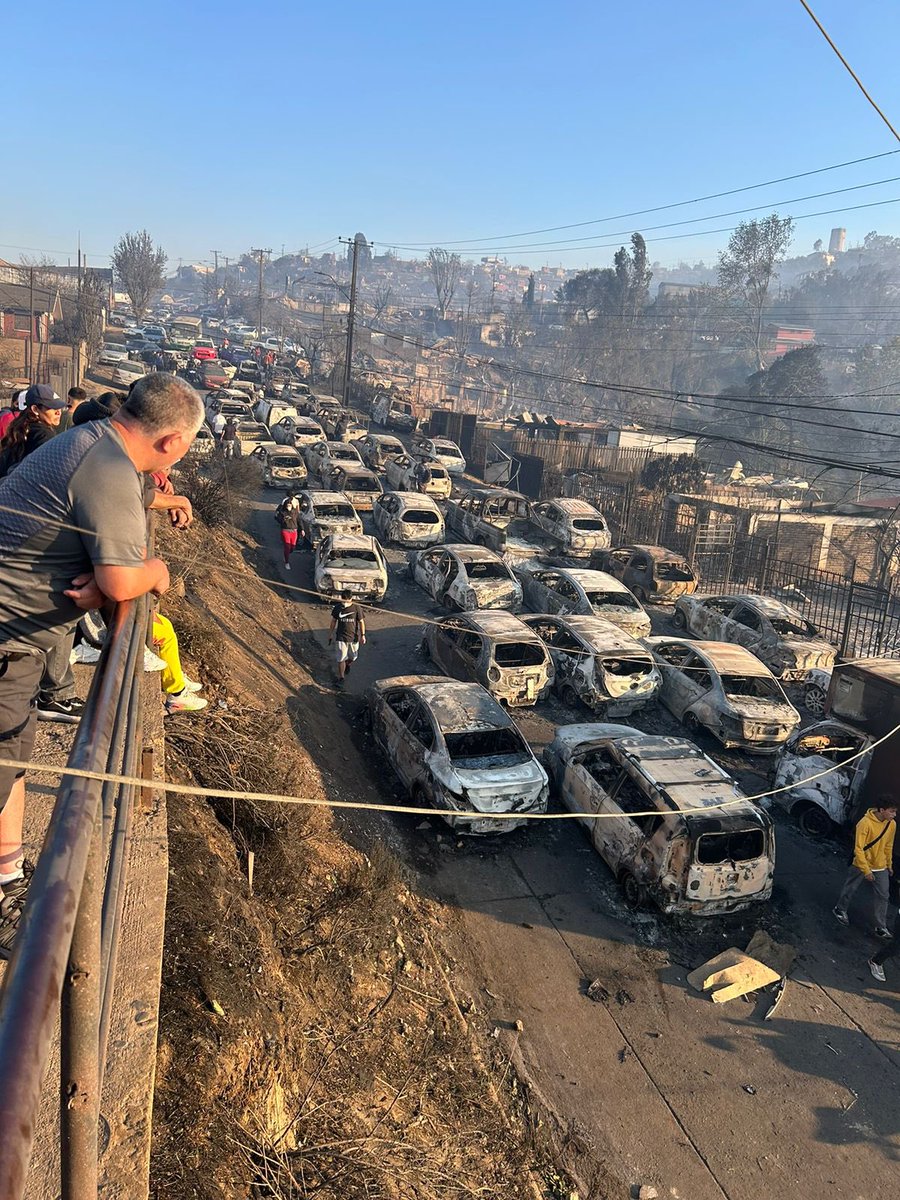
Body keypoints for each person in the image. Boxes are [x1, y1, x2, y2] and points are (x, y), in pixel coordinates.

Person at [0, 372, 204, 958]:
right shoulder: (110, 469)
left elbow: (100, 566)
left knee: (13, 756)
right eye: (186, 445)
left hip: (19, 640)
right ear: (170, 441)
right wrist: (157, 575)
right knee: (3, 759)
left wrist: (97, 581)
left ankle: (8, 875)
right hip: (7, 639)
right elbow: (121, 578)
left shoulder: (89, 440)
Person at [833, 799, 897, 938]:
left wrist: (889, 865)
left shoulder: (891, 824)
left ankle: (880, 926)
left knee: (883, 895)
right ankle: (840, 909)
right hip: (862, 864)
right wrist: (866, 870)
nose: (894, 815)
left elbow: (888, 846)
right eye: (891, 811)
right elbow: (859, 848)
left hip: (880, 865)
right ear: (881, 810)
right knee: (851, 888)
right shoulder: (865, 823)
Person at [0, 384, 65, 478]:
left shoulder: (22, 426)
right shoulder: (43, 434)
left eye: (60, 407)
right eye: (52, 407)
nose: (58, 412)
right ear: (35, 409)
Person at [152, 613, 207, 713]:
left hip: (129, 615)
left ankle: (176, 676)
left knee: (166, 623)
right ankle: (177, 693)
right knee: (167, 638)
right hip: (123, 623)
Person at [328, 591, 365, 686]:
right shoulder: (337, 608)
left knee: (353, 656)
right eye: (343, 600)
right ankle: (341, 677)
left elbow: (361, 622)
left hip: (353, 638)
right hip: (341, 637)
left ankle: (348, 663)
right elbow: (333, 621)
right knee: (341, 658)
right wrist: (330, 634)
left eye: (347, 601)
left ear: (351, 599)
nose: (345, 603)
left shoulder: (357, 608)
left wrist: (363, 635)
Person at [275, 492, 301, 569]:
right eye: (288, 505)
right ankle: (287, 562)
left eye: (290, 505)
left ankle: (286, 554)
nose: (289, 507)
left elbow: (299, 520)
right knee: (287, 546)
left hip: (294, 530)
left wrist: (302, 529)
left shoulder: (295, 512)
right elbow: (277, 518)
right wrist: (283, 519)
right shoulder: (283, 512)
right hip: (285, 530)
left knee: (292, 547)